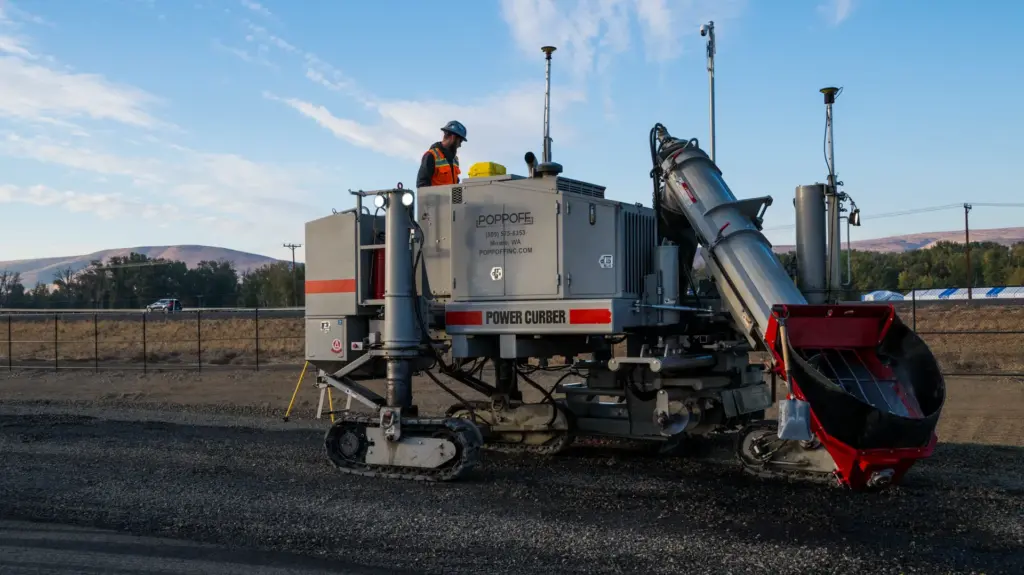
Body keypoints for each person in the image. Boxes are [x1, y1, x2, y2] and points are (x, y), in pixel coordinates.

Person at [416, 121, 467, 188]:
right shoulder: (431, 156)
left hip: (452, 198)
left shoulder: (455, 159)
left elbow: (455, 183)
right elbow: (422, 185)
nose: (460, 145)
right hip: (436, 198)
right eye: (460, 141)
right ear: (453, 137)